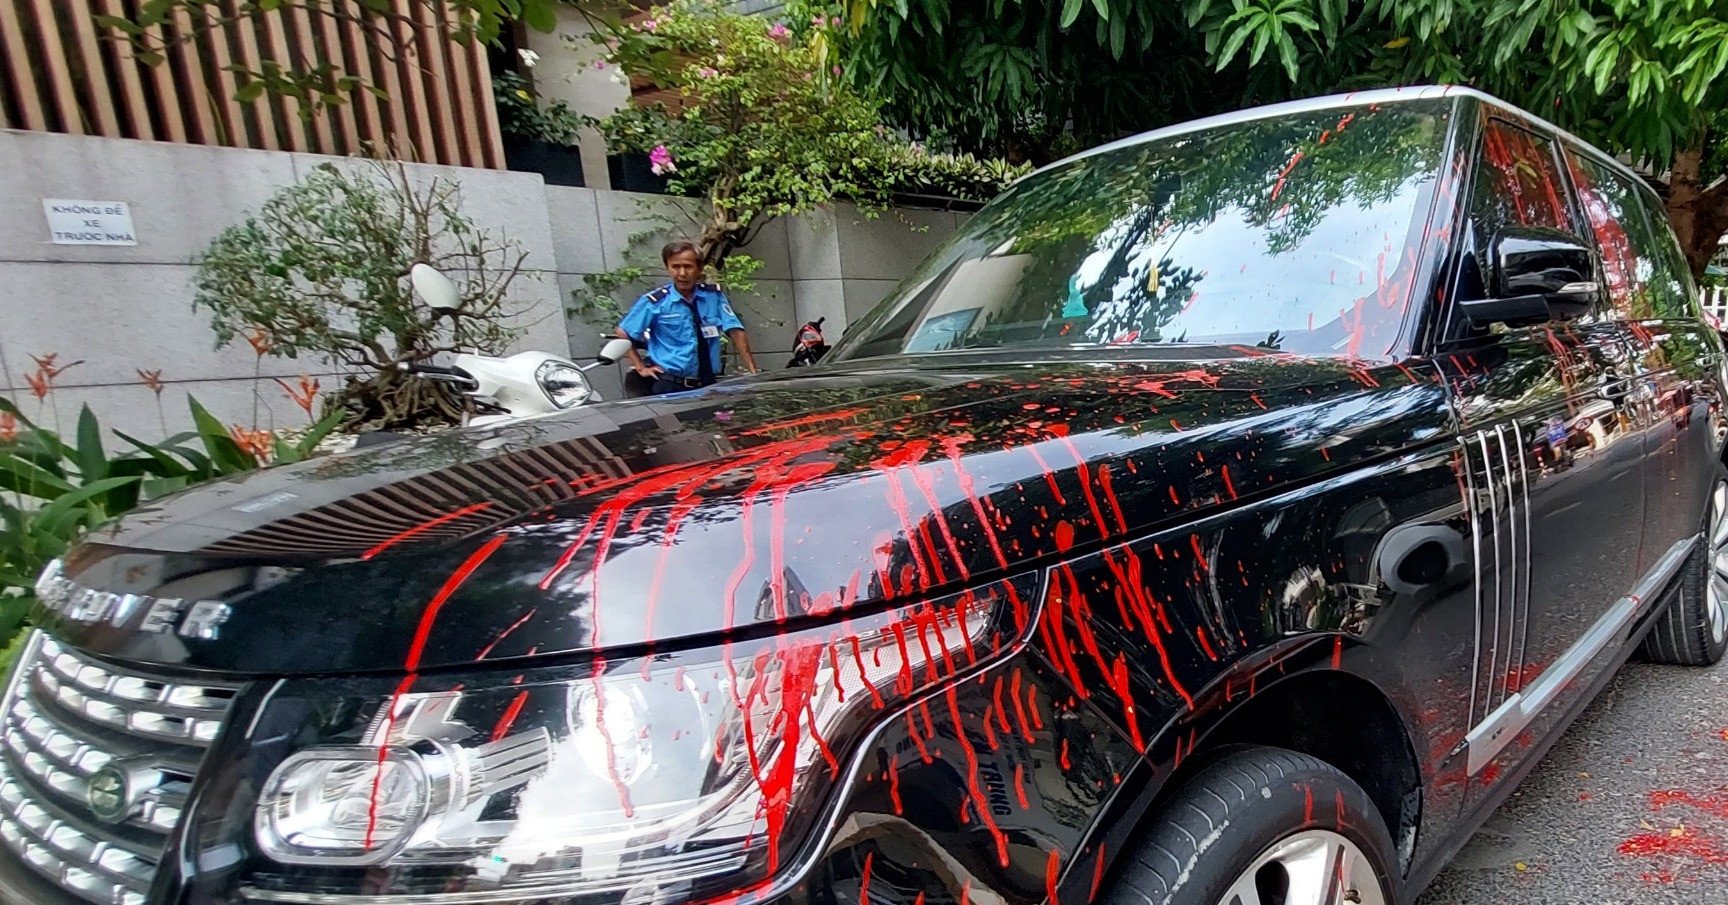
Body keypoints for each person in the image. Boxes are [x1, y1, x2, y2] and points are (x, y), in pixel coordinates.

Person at [617, 240, 759, 395]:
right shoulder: (655, 302)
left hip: (708, 385)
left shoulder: (714, 297)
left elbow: (735, 331)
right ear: (668, 268)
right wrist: (640, 367)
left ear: (699, 268)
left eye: (688, 266)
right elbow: (623, 332)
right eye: (676, 267)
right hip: (670, 385)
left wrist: (753, 371)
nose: (682, 273)